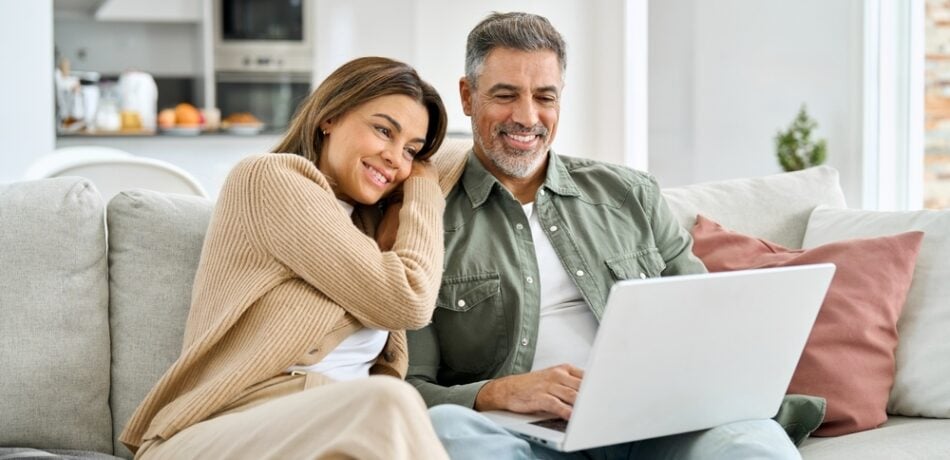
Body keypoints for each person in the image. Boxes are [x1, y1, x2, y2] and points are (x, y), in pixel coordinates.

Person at [408, 12, 803, 459]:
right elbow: (408, 389)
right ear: (467, 94)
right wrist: (497, 393)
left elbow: (707, 323)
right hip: (521, 437)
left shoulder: (630, 194)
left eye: (545, 96)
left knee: (748, 439)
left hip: (657, 423)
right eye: (505, 95)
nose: (527, 116)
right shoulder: (425, 217)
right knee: (445, 428)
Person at [119, 56, 531, 460]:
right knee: (388, 401)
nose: (395, 158)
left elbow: (471, 153)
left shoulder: (369, 226)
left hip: (331, 439)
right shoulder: (270, 179)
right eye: (383, 130)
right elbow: (408, 300)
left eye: (411, 151)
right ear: (329, 117)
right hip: (221, 432)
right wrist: (422, 191)